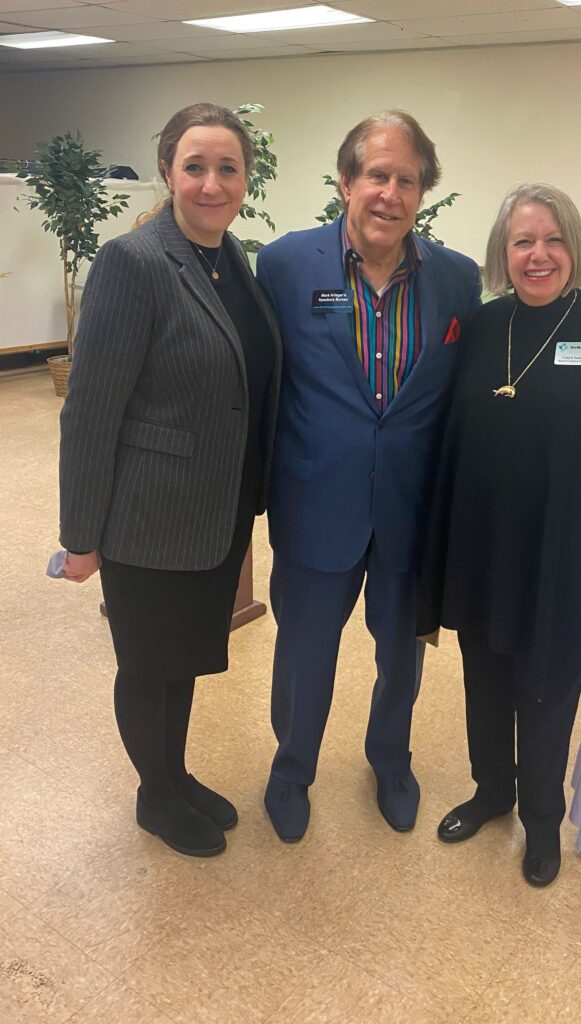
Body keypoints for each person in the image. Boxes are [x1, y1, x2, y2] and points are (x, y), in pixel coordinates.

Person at [418, 182, 581, 886]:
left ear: (574, 249)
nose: (538, 255)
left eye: (553, 239)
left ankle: (540, 819)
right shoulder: (478, 328)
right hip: (483, 544)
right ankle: (491, 792)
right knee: (485, 674)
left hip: (567, 552)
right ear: (505, 252)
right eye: (523, 241)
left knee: (548, 683)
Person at [59, 102, 282, 858]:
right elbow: (90, 408)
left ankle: (175, 774)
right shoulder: (134, 262)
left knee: (183, 655)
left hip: (216, 513)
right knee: (148, 663)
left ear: (245, 178)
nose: (212, 183)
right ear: (167, 172)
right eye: (196, 166)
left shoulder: (231, 257)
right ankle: (154, 795)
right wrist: (80, 537)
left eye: (227, 168)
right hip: (148, 516)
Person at [256, 110, 481, 842]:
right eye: (376, 175)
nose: (389, 193)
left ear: (423, 192)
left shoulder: (455, 279)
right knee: (304, 656)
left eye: (406, 180)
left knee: (401, 657)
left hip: (409, 513)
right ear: (345, 182)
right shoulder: (286, 266)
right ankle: (291, 770)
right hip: (316, 504)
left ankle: (391, 760)